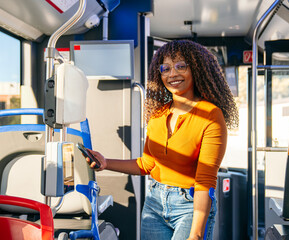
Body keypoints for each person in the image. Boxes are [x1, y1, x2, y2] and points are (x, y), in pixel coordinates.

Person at [85, 39, 238, 240]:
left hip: (190, 206)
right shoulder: (158, 115)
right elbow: (147, 164)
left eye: (181, 66)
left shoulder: (210, 115)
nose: (172, 74)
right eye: (165, 68)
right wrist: (106, 163)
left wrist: (197, 234)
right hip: (154, 204)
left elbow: (205, 180)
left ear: (197, 69)